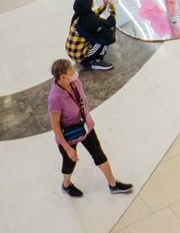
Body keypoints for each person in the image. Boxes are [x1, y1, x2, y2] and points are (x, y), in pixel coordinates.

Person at [47, 58, 133, 198]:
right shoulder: (55, 98)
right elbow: (55, 125)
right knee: (69, 162)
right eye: (72, 70)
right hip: (68, 135)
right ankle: (66, 184)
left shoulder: (74, 82)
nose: (75, 72)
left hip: (85, 126)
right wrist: (67, 148)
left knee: (98, 153)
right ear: (63, 77)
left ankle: (113, 184)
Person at [66, 0, 117, 71]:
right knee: (105, 37)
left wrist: (105, 5)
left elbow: (93, 14)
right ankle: (96, 62)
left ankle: (93, 56)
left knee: (96, 34)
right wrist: (112, 6)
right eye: (91, 1)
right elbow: (110, 24)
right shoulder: (88, 21)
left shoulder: (79, 14)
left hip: (71, 52)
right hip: (82, 57)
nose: (92, 3)